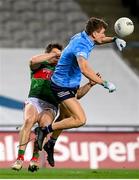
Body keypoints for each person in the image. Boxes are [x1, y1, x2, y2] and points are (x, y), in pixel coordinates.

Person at [35, 17, 126, 151]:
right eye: (102, 33)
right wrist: (105, 83)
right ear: (94, 33)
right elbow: (84, 68)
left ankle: (51, 143)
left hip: (70, 84)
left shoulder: (85, 37)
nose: (104, 36)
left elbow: (99, 41)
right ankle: (43, 130)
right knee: (80, 120)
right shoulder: (81, 45)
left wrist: (114, 39)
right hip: (61, 85)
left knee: (64, 116)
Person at [11, 43, 63, 171]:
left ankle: (34, 159)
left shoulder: (61, 71)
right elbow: (32, 60)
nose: (57, 57)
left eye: (59, 55)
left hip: (50, 104)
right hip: (34, 99)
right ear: (48, 54)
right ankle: (19, 159)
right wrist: (54, 54)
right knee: (28, 121)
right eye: (55, 54)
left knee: (44, 129)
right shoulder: (40, 65)